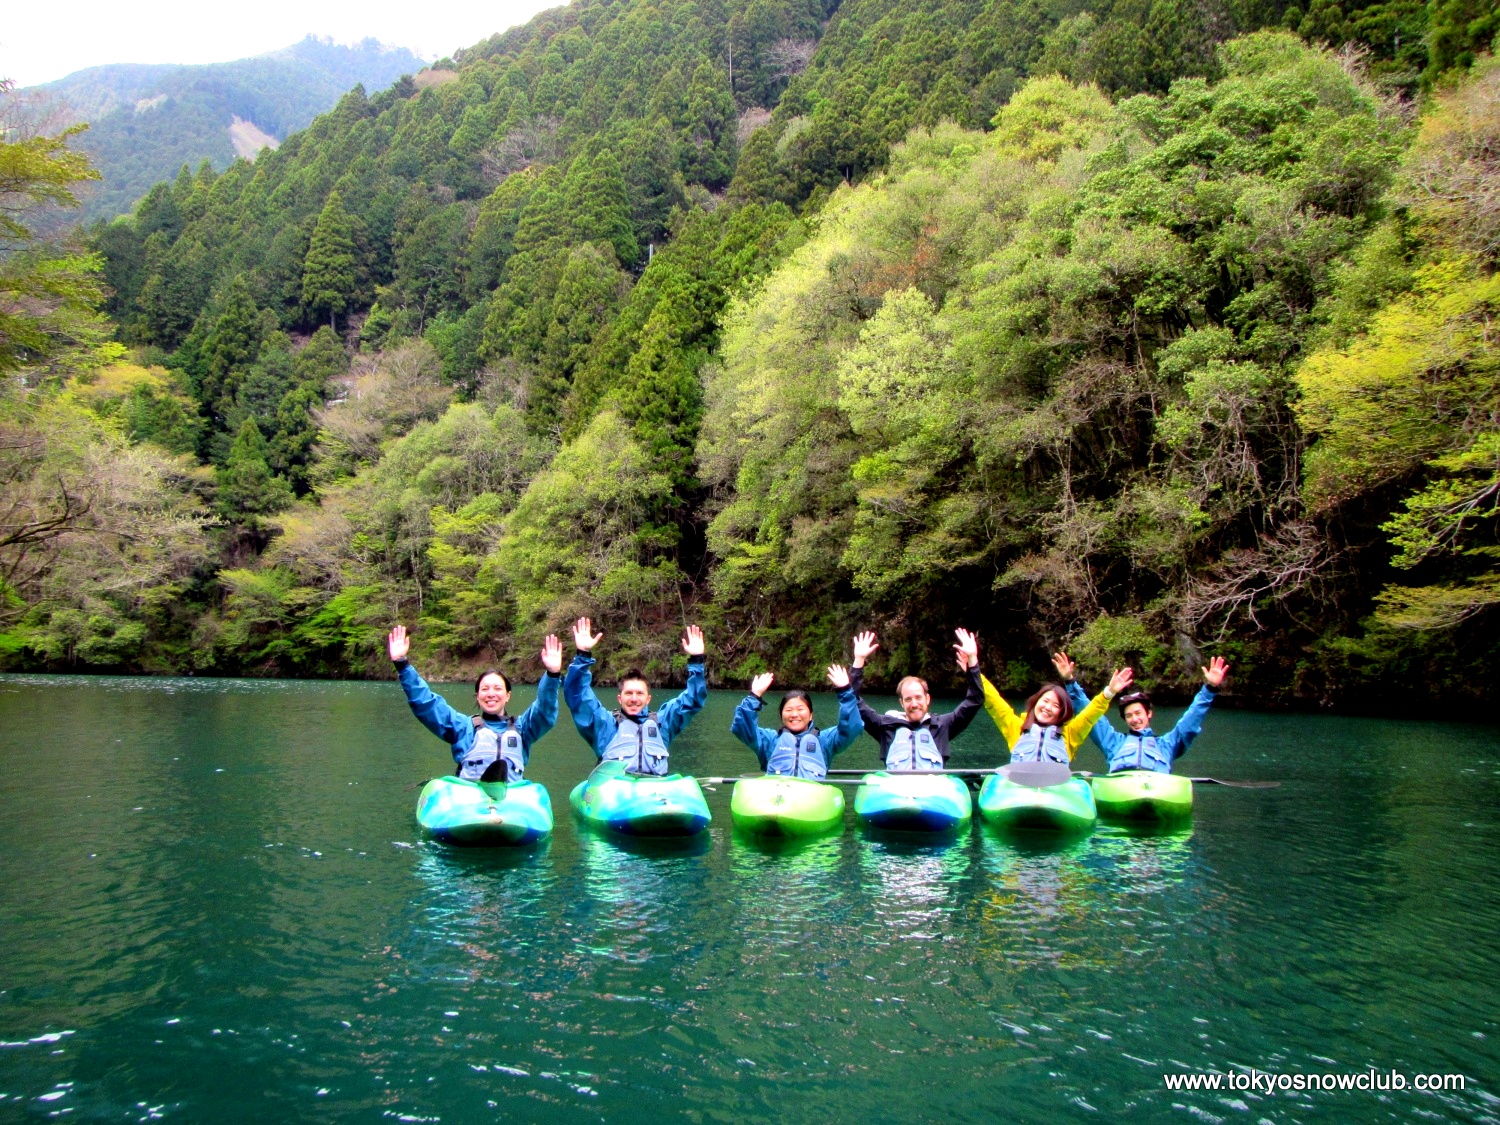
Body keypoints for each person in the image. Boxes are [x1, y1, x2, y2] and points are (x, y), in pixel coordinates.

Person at [386, 624, 562, 781]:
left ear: (507, 695)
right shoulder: (462, 727)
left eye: (497, 689)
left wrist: (553, 675)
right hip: (469, 799)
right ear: (477, 696)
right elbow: (426, 704)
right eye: (484, 689)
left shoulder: (524, 728)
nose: (491, 694)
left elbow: (545, 709)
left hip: (511, 799)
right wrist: (402, 664)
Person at [562, 616, 707, 776]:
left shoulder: (662, 724)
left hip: (654, 793)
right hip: (618, 794)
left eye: (639, 693)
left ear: (648, 699)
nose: (634, 699)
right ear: (620, 698)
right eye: (628, 693)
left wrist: (697, 660)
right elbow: (578, 696)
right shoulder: (605, 725)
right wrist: (583, 654)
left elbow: (692, 700)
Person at [1055, 652, 1230, 773]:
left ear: (1149, 714)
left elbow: (1191, 719)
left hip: (1157, 787)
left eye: (1138, 713)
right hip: (1123, 785)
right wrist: (1070, 681)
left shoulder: (1166, 744)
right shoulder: (1113, 742)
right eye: (1129, 716)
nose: (1134, 719)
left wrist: (1210, 688)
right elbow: (1089, 712)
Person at [847, 628, 985, 770]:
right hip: (897, 788)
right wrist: (859, 660)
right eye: (908, 699)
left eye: (918, 697)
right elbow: (852, 701)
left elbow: (975, 699)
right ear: (901, 702)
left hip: (932, 787)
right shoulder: (885, 726)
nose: (914, 704)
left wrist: (973, 660)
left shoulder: (943, 725)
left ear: (927, 698)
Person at [980, 659, 1133, 766]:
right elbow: (994, 701)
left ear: (1061, 712)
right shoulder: (1016, 726)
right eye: (1045, 701)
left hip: (1055, 791)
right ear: (1036, 703)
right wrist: (973, 669)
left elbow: (1090, 714)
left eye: (1055, 705)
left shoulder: (1070, 732)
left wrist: (1109, 692)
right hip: (1020, 787)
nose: (1048, 707)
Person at [731, 665, 863, 780]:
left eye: (800, 709)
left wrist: (845, 691)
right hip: (776, 798)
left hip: (809, 800)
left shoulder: (825, 740)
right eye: (788, 710)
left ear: (811, 715)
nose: (794, 714)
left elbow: (852, 727)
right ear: (781, 715)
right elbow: (742, 727)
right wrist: (754, 696)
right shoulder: (769, 740)